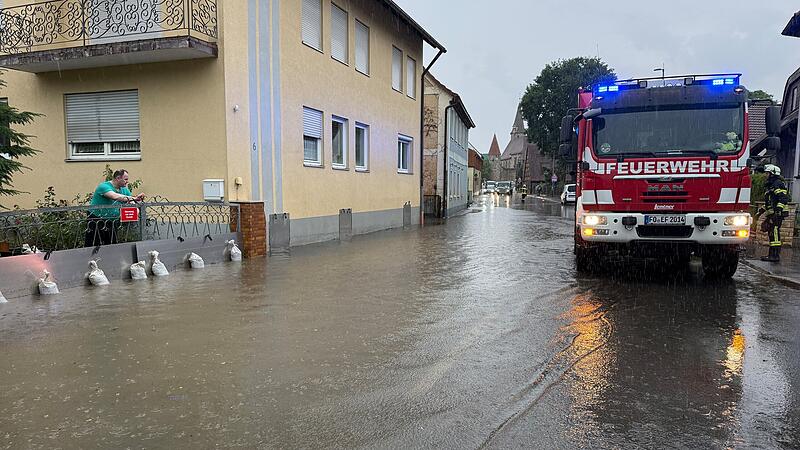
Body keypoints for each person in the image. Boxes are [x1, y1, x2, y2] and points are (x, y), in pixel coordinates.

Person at [84, 169, 145, 247]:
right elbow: (115, 196)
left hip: (111, 221)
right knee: (93, 245)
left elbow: (130, 201)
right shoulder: (103, 186)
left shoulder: (124, 189)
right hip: (96, 219)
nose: (127, 181)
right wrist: (134, 198)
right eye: (125, 179)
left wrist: (135, 209)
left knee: (111, 245)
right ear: (118, 178)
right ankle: (90, 259)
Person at [757, 164, 790, 262]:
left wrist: (778, 211)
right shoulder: (771, 185)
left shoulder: (777, 183)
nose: (765, 175)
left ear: (773, 174)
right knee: (772, 233)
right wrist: (761, 211)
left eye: (767, 173)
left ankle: (775, 256)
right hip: (773, 213)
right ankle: (771, 255)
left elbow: (783, 198)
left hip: (777, 214)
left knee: (774, 234)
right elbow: (770, 202)